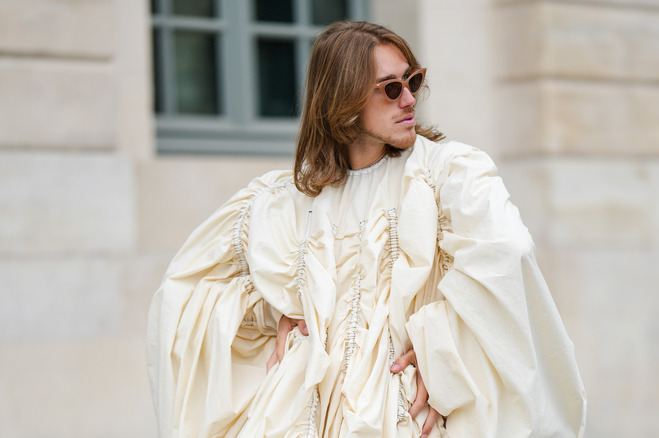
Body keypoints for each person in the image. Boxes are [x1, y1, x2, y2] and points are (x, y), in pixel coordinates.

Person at [147, 20, 586, 438]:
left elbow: (505, 257)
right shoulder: (285, 198)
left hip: (403, 413)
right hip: (299, 415)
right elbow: (188, 293)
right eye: (390, 89)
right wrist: (274, 314)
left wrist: (446, 350)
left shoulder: (448, 174)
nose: (410, 100)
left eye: (412, 81)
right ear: (342, 98)